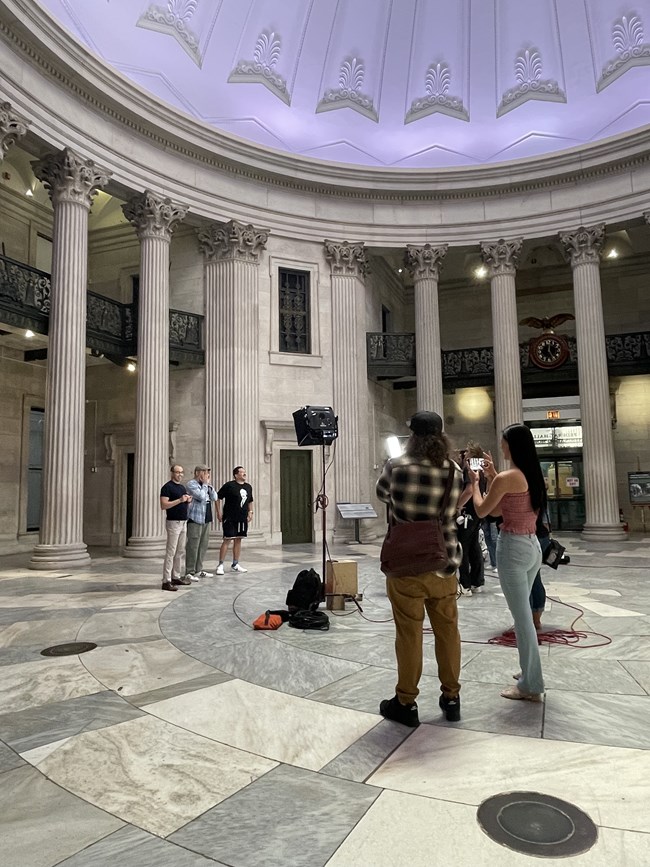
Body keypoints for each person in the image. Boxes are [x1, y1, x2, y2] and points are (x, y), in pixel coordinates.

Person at [376, 411, 464, 727]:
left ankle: (406, 701)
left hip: (406, 563)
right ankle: (451, 697)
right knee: (448, 631)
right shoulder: (453, 470)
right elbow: (453, 507)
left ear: (412, 437)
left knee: (409, 633)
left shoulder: (396, 466)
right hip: (444, 560)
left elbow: (382, 494)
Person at [468, 424, 545, 701]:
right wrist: (492, 476)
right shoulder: (531, 473)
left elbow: (482, 510)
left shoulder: (508, 477)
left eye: (502, 442)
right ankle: (528, 670)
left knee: (523, 620)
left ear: (510, 445)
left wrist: (476, 483)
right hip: (532, 546)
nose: (500, 446)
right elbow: (504, 507)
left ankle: (531, 684)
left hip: (513, 547)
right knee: (522, 615)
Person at [456, 444, 486, 595]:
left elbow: (468, 490)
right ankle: (477, 581)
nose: (464, 454)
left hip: (467, 512)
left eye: (466, 451)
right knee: (475, 547)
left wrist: (457, 506)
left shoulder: (470, 469)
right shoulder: (481, 469)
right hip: (478, 511)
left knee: (463, 547)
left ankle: (465, 584)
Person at [159, 465, 193, 592]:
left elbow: (183, 501)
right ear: (172, 473)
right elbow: (164, 505)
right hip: (173, 522)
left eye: (181, 472)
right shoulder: (167, 487)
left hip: (183, 521)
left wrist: (187, 500)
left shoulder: (182, 487)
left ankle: (176, 576)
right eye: (177, 472)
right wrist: (179, 500)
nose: (180, 474)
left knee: (180, 551)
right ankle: (166, 580)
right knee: (171, 551)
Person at [215, 466, 254, 574]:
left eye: (245, 472)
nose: (244, 474)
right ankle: (220, 564)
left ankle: (235, 563)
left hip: (242, 518)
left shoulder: (248, 487)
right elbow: (217, 497)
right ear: (236, 475)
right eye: (242, 472)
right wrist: (219, 512)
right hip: (230, 517)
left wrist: (251, 512)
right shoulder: (229, 485)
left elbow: (250, 500)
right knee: (227, 539)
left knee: (238, 539)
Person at [185, 464, 218, 580]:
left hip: (206, 518)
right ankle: (190, 571)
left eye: (208, 472)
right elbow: (201, 497)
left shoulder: (207, 485)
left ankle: (198, 569)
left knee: (203, 545)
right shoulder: (191, 484)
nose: (207, 474)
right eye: (204, 472)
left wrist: (208, 485)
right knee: (193, 545)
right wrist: (204, 484)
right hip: (195, 518)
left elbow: (214, 497)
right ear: (197, 473)